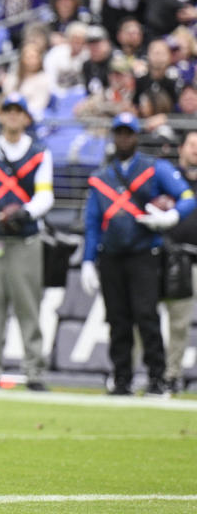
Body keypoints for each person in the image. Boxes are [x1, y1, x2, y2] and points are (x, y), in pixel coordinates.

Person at [81, 113, 196, 396]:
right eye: (119, 133)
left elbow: (187, 198)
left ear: (136, 136)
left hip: (144, 252)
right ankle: (121, 378)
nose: (123, 139)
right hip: (112, 254)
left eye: (128, 133)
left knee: (147, 316)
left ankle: (157, 378)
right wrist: (87, 259)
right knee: (118, 319)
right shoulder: (101, 177)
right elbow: (93, 221)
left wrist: (170, 218)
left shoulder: (153, 168)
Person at [0, 95, 54, 391]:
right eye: (8, 111)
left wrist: (26, 212)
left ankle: (34, 370)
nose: (13, 117)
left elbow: (45, 194)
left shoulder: (40, 153)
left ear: (27, 118)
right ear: (1, 116)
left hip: (26, 238)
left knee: (28, 305)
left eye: (19, 112)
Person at [162, 130, 197, 394]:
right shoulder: (166, 178)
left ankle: (172, 373)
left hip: (191, 259)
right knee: (145, 317)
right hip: (161, 256)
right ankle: (141, 371)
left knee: (180, 321)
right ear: (181, 148)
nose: (195, 150)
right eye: (192, 144)